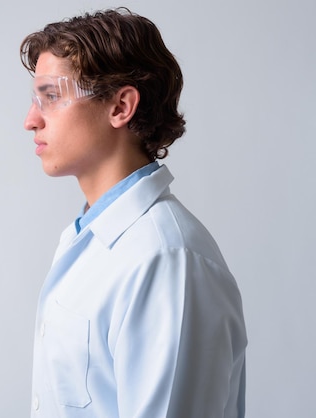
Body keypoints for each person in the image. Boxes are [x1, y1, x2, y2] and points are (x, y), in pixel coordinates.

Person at [20, 8, 247, 418]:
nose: (30, 120)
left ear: (121, 106)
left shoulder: (167, 260)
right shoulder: (89, 239)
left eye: (51, 96)